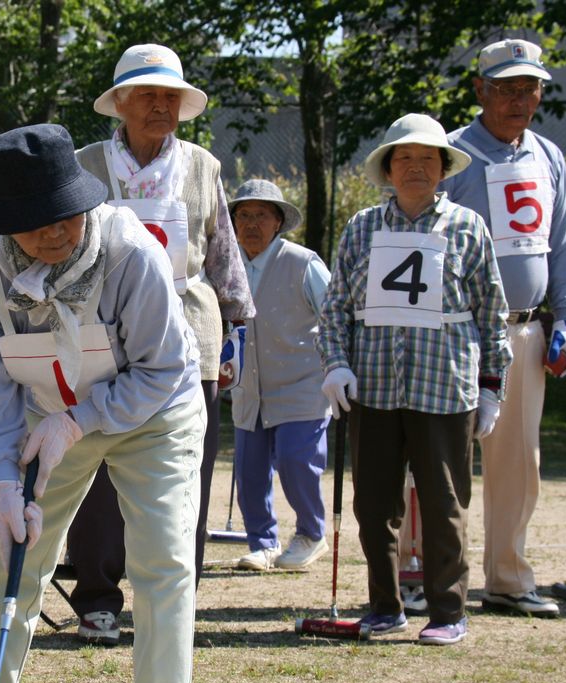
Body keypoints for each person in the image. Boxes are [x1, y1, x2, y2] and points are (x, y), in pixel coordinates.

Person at [0, 123, 205, 683]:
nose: (54, 234)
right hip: (44, 416)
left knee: (162, 553)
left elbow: (161, 369)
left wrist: (80, 421)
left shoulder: (130, 252)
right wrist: (0, 479)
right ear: (5, 225)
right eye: (35, 223)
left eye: (65, 217)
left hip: (153, 412)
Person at [63, 43, 255, 645]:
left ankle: (173, 600)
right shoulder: (85, 163)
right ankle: (96, 599)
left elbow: (220, 249)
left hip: (189, 334)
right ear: (119, 103)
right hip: (102, 336)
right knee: (94, 468)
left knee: (184, 472)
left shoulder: (203, 165)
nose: (159, 106)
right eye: (147, 94)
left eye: (170, 96)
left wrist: (235, 329)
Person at [318, 113, 512, 646]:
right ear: (388, 167)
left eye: (428, 159)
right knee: (374, 505)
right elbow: (335, 309)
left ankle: (449, 611)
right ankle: (385, 605)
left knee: (444, 502)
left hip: (444, 386)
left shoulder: (468, 228)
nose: (417, 168)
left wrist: (493, 385)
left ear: (444, 168)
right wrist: (335, 363)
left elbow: (493, 313)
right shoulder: (362, 227)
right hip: (375, 387)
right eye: (405, 158)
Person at [437, 39, 566, 619]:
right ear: (480, 91)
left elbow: (563, 243)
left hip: (524, 332)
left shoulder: (548, 155)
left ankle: (508, 578)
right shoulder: (449, 154)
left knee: (518, 463)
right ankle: (424, 573)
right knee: (437, 459)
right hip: (455, 331)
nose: (519, 99)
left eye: (530, 88)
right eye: (506, 88)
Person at [226, 179, 331, 571]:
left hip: (301, 383)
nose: (252, 224)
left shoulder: (303, 262)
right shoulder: (225, 262)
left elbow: (334, 314)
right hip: (247, 386)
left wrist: (338, 368)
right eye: (244, 215)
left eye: (262, 215)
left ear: (278, 222)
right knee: (249, 471)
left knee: (295, 460)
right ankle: (262, 543)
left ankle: (310, 534)